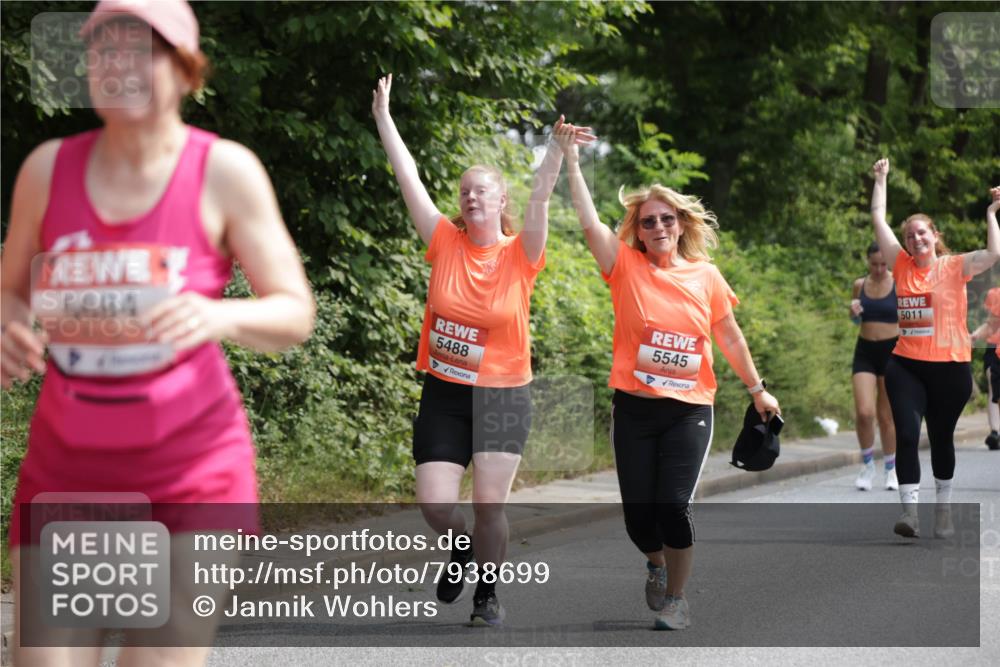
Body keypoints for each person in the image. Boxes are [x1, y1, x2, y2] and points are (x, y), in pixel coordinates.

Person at [1, 0, 314, 663]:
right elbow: (10, 290)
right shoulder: (46, 170)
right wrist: (6, 322)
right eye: (102, 50)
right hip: (68, 477)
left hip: (192, 479)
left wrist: (217, 315)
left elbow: (294, 310)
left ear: (187, 70)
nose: (118, 64)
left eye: (142, 49)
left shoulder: (225, 171)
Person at [371, 73, 592, 626]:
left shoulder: (522, 253)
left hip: (501, 396)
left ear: (500, 202)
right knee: (436, 504)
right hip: (445, 392)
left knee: (490, 504)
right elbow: (408, 178)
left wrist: (556, 153)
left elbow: (541, 198)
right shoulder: (443, 240)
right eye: (465, 191)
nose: (471, 197)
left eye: (482, 191)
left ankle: (487, 595)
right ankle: (462, 546)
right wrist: (384, 117)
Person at [553, 124, 780, 631]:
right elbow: (590, 225)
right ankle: (654, 564)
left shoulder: (706, 276)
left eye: (666, 218)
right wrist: (570, 159)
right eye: (648, 220)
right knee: (639, 519)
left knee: (673, 506)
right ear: (639, 229)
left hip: (689, 410)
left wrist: (757, 389)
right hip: (634, 407)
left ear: (680, 224)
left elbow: (731, 338)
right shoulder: (625, 267)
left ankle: (677, 599)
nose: (658, 226)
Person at [870, 158, 999, 538]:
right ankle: (910, 513)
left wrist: (992, 212)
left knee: (941, 437)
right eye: (910, 236)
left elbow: (993, 254)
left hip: (950, 367)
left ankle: (942, 508)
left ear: (935, 235)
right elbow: (878, 217)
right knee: (908, 434)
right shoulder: (900, 264)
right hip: (906, 365)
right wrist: (881, 178)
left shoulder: (955, 266)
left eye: (922, 234)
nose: (916, 240)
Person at [849, 242, 899, 490]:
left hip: (892, 352)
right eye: (874, 264)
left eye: (883, 264)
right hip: (865, 352)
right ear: (867, 262)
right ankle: (867, 465)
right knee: (864, 413)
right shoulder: (860, 285)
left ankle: (891, 469)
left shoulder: (899, 283)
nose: (879, 269)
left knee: (886, 416)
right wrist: (854, 311)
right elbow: (855, 319)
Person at [971, 287, 1000, 450]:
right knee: (992, 386)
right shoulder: (994, 294)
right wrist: (974, 335)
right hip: (994, 348)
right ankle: (995, 432)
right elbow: (990, 325)